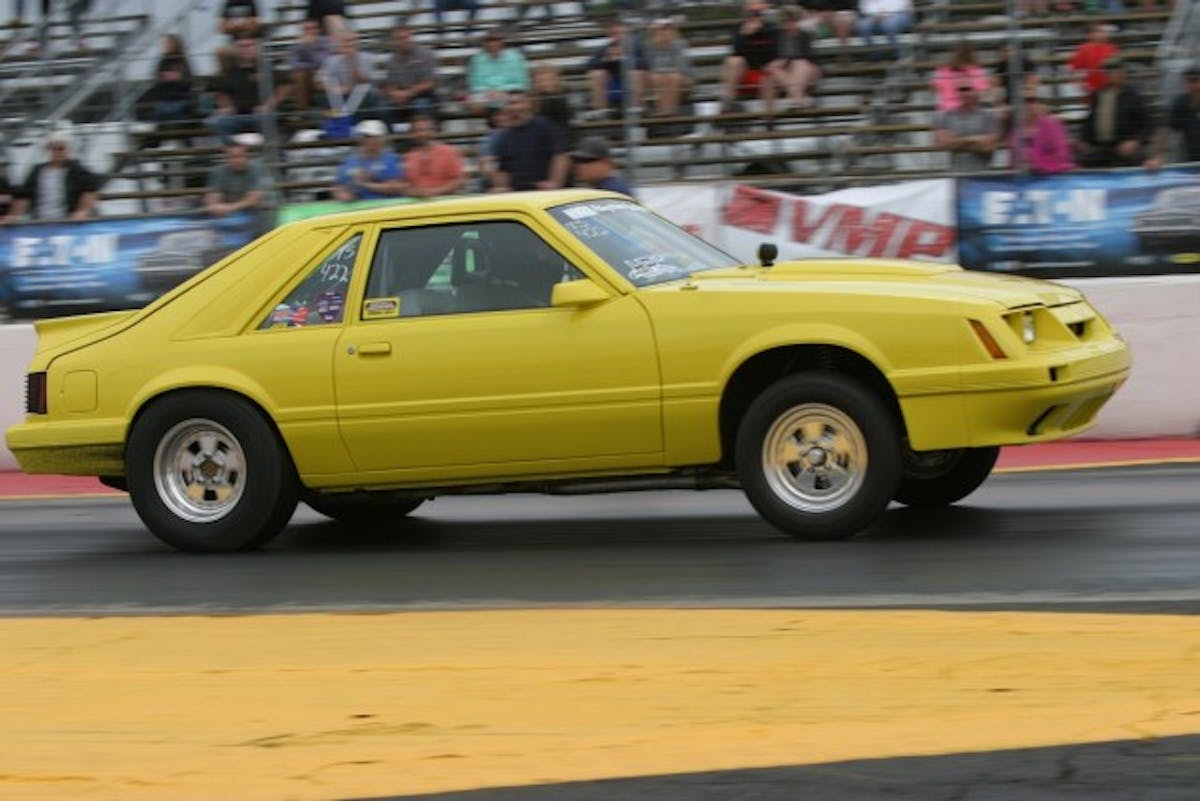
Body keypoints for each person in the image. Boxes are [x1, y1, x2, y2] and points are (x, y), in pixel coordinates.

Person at [208, 35, 291, 142]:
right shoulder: (229, 71)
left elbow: (285, 85)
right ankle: (235, 153)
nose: (245, 49)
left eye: (249, 46)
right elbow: (220, 91)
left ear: (256, 48)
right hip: (236, 115)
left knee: (265, 120)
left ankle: (272, 154)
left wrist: (269, 105)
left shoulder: (266, 68)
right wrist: (227, 107)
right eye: (240, 46)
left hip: (260, 114)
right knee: (214, 121)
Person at [2, 133, 100, 223]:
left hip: (67, 221)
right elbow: (24, 196)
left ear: (68, 150)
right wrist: (14, 215)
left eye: (61, 148)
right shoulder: (37, 171)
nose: (57, 152)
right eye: (53, 149)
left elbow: (89, 192)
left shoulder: (79, 171)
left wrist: (82, 211)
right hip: (40, 222)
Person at [1078, 57, 1154, 167]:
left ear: (1122, 73)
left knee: (1142, 162)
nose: (1111, 75)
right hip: (1101, 147)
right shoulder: (1098, 95)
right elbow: (1090, 121)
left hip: (1124, 147)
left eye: (1115, 72)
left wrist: (1135, 142)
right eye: (1108, 73)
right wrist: (1083, 140)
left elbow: (1147, 125)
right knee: (1080, 162)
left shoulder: (1134, 96)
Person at [491, 91, 568, 192]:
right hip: (519, 194)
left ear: (528, 104)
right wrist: (501, 188)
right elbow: (502, 169)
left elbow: (560, 156)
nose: (512, 107)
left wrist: (555, 183)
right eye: (509, 104)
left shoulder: (544, 126)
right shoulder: (505, 135)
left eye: (516, 102)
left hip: (544, 192)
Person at [720, 1, 782, 116]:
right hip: (745, 75)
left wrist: (761, 29)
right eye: (751, 5)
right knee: (734, 61)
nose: (754, 10)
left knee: (768, 78)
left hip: (766, 74)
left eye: (758, 4)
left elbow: (775, 54)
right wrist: (745, 34)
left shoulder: (773, 28)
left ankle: (769, 120)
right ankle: (727, 104)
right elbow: (735, 52)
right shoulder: (738, 28)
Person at [584, 19, 647, 119]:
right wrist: (607, 60)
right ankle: (601, 111)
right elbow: (589, 64)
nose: (619, 36)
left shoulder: (637, 46)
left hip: (632, 78)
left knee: (636, 73)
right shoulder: (604, 49)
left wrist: (624, 59)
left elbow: (645, 62)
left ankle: (637, 108)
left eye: (622, 33)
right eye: (615, 33)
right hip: (612, 81)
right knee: (597, 74)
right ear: (610, 36)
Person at [320, 30, 385, 123]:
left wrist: (352, 62)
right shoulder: (331, 61)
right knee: (324, 99)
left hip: (364, 97)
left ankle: (348, 122)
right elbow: (320, 82)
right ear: (340, 43)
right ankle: (341, 123)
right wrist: (333, 88)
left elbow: (370, 81)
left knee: (365, 95)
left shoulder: (368, 58)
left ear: (356, 42)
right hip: (342, 95)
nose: (348, 44)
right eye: (345, 41)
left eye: (351, 41)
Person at [332, 119, 405, 201]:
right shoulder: (349, 162)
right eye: (368, 137)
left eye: (376, 137)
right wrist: (344, 195)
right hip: (358, 208)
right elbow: (339, 188)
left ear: (383, 139)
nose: (373, 140)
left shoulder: (391, 159)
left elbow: (396, 188)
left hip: (386, 207)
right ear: (360, 139)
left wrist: (364, 185)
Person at [934, 81, 999, 171]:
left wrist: (956, 141)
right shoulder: (947, 115)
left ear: (976, 91)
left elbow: (989, 145)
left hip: (983, 175)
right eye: (961, 90)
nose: (964, 93)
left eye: (967, 89)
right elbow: (942, 144)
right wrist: (975, 141)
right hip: (956, 175)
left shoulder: (988, 115)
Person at [383, 17, 438, 124]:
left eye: (405, 37)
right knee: (383, 108)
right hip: (402, 98)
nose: (402, 41)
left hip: (423, 96)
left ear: (411, 37)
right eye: (398, 39)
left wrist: (409, 93)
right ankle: (393, 139)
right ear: (394, 41)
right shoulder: (392, 60)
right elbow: (390, 84)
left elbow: (430, 82)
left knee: (420, 104)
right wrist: (395, 94)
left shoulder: (425, 54)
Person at [467, 29, 530, 115]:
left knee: (515, 102)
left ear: (502, 42)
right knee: (474, 103)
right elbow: (474, 84)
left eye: (496, 40)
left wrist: (501, 91)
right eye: (489, 41)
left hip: (510, 93)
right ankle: (494, 122)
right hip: (486, 95)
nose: (492, 44)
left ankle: (502, 121)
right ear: (484, 44)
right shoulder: (477, 60)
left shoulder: (515, 58)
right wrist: (488, 92)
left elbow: (522, 83)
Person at [771, 6, 820, 109]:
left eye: (793, 21)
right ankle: (799, 98)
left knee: (799, 63)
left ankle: (794, 98)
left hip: (807, 71)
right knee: (774, 68)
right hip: (785, 73)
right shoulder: (777, 36)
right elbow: (774, 58)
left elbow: (808, 57)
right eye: (786, 21)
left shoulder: (805, 35)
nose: (790, 24)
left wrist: (786, 59)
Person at [404, 116, 466, 198]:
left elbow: (460, 181)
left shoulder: (448, 152)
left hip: (445, 202)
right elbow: (405, 185)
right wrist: (414, 192)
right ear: (412, 134)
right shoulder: (409, 157)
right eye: (417, 131)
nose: (421, 134)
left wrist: (435, 192)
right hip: (418, 204)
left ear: (432, 131)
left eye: (425, 130)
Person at [1014, 94, 1075, 174]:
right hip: (1026, 174)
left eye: (1033, 103)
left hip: (1054, 172)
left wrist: (1034, 159)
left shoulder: (1052, 125)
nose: (1030, 108)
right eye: (1027, 104)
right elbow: (1016, 157)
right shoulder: (1017, 130)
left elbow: (1061, 154)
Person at [645, 17, 692, 118]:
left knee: (672, 77)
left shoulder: (679, 44)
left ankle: (669, 112)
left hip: (683, 80)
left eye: (666, 29)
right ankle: (665, 112)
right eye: (660, 29)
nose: (663, 32)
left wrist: (663, 72)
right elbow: (651, 68)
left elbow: (682, 68)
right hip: (660, 80)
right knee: (659, 78)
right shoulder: (650, 47)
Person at [204, 140, 265, 216]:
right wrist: (214, 206)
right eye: (233, 157)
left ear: (247, 156)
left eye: (241, 156)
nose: (237, 160)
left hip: (253, 214)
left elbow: (254, 200)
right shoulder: (219, 171)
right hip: (227, 216)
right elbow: (213, 198)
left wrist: (228, 208)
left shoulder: (255, 170)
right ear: (227, 158)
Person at [147, 34, 196, 124]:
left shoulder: (182, 60)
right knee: (158, 112)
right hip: (165, 97)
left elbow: (187, 79)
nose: (164, 46)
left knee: (175, 112)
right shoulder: (163, 61)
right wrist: (172, 76)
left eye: (167, 43)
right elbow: (158, 77)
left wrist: (173, 77)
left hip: (180, 97)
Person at [933, 42, 992, 113]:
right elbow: (981, 95)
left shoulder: (943, 70)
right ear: (972, 54)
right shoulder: (977, 71)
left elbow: (934, 88)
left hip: (947, 110)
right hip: (967, 112)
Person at [288, 17, 332, 112]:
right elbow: (294, 65)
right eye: (307, 29)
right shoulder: (296, 47)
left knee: (311, 72)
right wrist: (311, 68)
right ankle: (303, 110)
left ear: (319, 30)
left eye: (313, 28)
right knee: (298, 74)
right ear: (302, 32)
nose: (310, 31)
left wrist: (311, 48)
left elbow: (326, 63)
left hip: (327, 75)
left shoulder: (328, 42)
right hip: (309, 79)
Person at [569, 136, 633, 196]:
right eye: (577, 161)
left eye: (586, 161)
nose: (580, 166)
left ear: (605, 163)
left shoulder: (612, 190)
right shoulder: (599, 187)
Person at [1068, 22, 1117, 96]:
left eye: (1104, 32)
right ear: (1091, 34)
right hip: (1091, 88)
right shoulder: (1084, 49)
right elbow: (1074, 69)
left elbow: (1117, 68)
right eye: (1100, 32)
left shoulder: (1111, 48)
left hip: (1109, 87)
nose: (1104, 34)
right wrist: (1082, 84)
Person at [1165, 66, 1200, 164]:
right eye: (1189, 82)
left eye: (1195, 81)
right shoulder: (1180, 102)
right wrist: (1157, 156)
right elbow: (1166, 129)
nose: (1192, 85)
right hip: (1190, 157)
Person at [531, 62, 572, 139]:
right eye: (542, 80)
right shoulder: (533, 98)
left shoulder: (565, 92)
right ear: (536, 82)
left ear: (556, 79)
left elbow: (567, 112)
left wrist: (550, 93)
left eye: (549, 79)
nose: (546, 83)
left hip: (562, 134)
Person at [218, 0, 260, 70]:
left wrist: (234, 25)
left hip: (251, 42)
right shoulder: (228, 4)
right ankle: (228, 78)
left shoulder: (251, 3)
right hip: (234, 43)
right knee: (221, 52)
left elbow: (255, 24)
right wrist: (243, 25)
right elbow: (222, 27)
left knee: (260, 54)